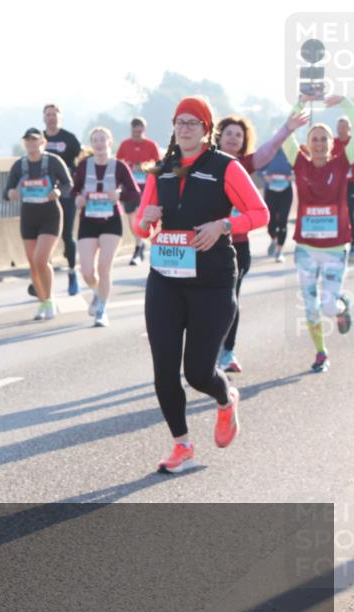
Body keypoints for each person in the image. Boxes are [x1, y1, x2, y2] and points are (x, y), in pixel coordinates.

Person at [134, 96, 268, 474]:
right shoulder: (160, 170)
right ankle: (182, 445)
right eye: (180, 121)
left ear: (207, 130)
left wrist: (224, 225)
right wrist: (146, 219)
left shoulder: (224, 166)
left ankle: (225, 399)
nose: (185, 128)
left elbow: (260, 213)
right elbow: (141, 229)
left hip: (211, 281)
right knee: (163, 370)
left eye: (194, 122)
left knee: (197, 372)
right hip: (165, 279)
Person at [212, 109, 308, 373]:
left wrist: (287, 129)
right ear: (218, 137)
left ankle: (227, 352)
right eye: (228, 133)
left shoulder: (244, 165)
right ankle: (206, 350)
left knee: (230, 298)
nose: (233, 138)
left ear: (244, 142)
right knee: (205, 302)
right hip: (206, 245)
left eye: (238, 135)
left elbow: (270, 148)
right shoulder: (204, 164)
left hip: (236, 245)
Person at [282, 95, 354, 372]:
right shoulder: (299, 164)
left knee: (327, 307)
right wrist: (300, 104)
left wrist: (345, 103)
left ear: (333, 143)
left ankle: (341, 303)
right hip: (306, 250)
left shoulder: (342, 163)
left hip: (336, 249)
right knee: (311, 308)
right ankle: (321, 353)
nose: (320, 143)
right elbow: (287, 133)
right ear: (308, 144)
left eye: (325, 139)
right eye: (315, 139)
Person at [72, 127, 141, 326]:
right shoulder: (84, 166)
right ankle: (96, 291)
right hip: (88, 220)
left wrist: (120, 196)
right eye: (95, 140)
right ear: (92, 144)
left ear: (110, 143)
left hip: (111, 221)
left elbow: (135, 193)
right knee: (86, 271)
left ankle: (102, 309)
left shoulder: (119, 166)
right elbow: (74, 190)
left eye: (103, 139)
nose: (99, 143)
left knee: (104, 267)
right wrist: (78, 199)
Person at [4, 127, 73, 320]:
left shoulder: (53, 162)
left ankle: (50, 299)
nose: (31, 144)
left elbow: (68, 184)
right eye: (28, 141)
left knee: (41, 259)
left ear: (42, 142)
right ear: (24, 143)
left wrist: (58, 191)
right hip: (28, 216)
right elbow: (7, 191)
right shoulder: (20, 165)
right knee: (33, 264)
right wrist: (11, 194)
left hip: (50, 214)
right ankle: (42, 301)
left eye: (35, 141)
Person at [43, 103, 83, 295]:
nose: (51, 118)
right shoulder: (39, 139)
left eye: (54, 114)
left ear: (60, 117)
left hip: (66, 192)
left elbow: (80, 161)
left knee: (67, 235)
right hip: (44, 195)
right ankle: (43, 277)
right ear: (44, 118)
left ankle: (72, 273)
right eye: (48, 114)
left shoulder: (69, 139)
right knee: (45, 236)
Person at [116, 117, 161, 265]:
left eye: (140, 132)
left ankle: (139, 247)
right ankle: (139, 243)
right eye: (135, 132)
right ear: (131, 130)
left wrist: (144, 166)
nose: (137, 135)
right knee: (131, 218)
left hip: (146, 187)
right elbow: (118, 164)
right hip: (129, 187)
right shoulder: (125, 144)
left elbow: (158, 164)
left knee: (142, 214)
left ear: (144, 130)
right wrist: (129, 165)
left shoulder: (151, 145)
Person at [260, 147, 294, 263]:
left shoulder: (291, 153)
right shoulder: (269, 152)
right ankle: (275, 240)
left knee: (283, 221)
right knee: (270, 222)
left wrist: (293, 176)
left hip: (286, 191)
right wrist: (265, 176)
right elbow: (259, 167)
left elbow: (299, 167)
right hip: (271, 191)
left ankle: (279, 251)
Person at [331, 115, 354, 253]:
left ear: (349, 128)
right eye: (339, 128)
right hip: (338, 185)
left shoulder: (352, 143)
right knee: (338, 213)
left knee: (351, 213)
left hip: (352, 184)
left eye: (344, 127)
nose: (341, 130)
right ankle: (339, 241)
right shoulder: (332, 143)